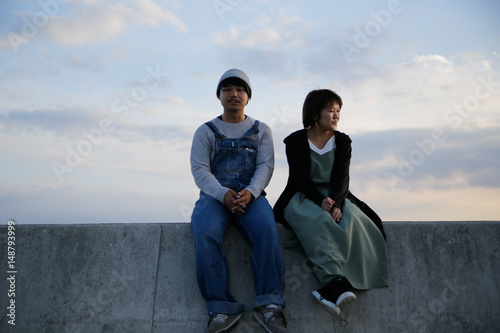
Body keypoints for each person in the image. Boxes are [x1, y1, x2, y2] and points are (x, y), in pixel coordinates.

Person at [273, 89, 389, 316]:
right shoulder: (295, 141)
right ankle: (335, 282)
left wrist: (336, 203)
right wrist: (320, 201)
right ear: (315, 114)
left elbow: (342, 178)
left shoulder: (343, 141)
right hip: (303, 196)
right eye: (330, 111)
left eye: (338, 111)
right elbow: (300, 178)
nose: (336, 116)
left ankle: (335, 286)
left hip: (337, 195)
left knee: (354, 219)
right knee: (318, 220)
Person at [190, 68, 288, 333]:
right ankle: (221, 308)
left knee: (267, 231)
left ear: (248, 96)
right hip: (215, 196)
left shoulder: (261, 130)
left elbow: (265, 167)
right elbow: (200, 170)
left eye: (240, 89)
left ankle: (270, 306)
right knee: (205, 231)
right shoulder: (206, 131)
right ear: (219, 95)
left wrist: (250, 192)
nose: (234, 94)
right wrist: (223, 195)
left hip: (251, 195)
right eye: (227, 89)